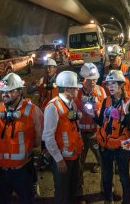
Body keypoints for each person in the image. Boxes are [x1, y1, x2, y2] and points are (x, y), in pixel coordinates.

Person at [0, 73, 44, 204]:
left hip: (22, 170)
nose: (4, 94)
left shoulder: (32, 111)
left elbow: (40, 137)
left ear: (20, 92)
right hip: (0, 170)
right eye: (3, 91)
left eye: (10, 91)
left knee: (26, 200)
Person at [90, 70, 130, 204]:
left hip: (122, 146)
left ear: (121, 85)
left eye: (114, 83)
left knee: (124, 178)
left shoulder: (129, 101)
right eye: (108, 84)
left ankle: (126, 202)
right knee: (107, 178)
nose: (110, 87)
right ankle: (108, 200)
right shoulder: (106, 101)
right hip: (107, 146)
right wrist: (92, 114)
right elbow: (102, 121)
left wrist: (124, 115)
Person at [42, 71, 84, 204]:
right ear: (66, 89)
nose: (78, 89)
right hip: (62, 160)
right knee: (62, 194)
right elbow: (48, 136)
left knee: (72, 190)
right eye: (75, 87)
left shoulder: (72, 104)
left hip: (74, 156)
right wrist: (59, 160)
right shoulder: (53, 107)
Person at [76, 63, 107, 201]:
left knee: (104, 161)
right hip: (80, 134)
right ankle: (79, 192)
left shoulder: (101, 91)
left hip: (96, 133)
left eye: (95, 79)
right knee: (79, 165)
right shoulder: (76, 92)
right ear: (84, 79)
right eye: (90, 80)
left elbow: (106, 113)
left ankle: (105, 190)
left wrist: (98, 108)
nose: (93, 82)